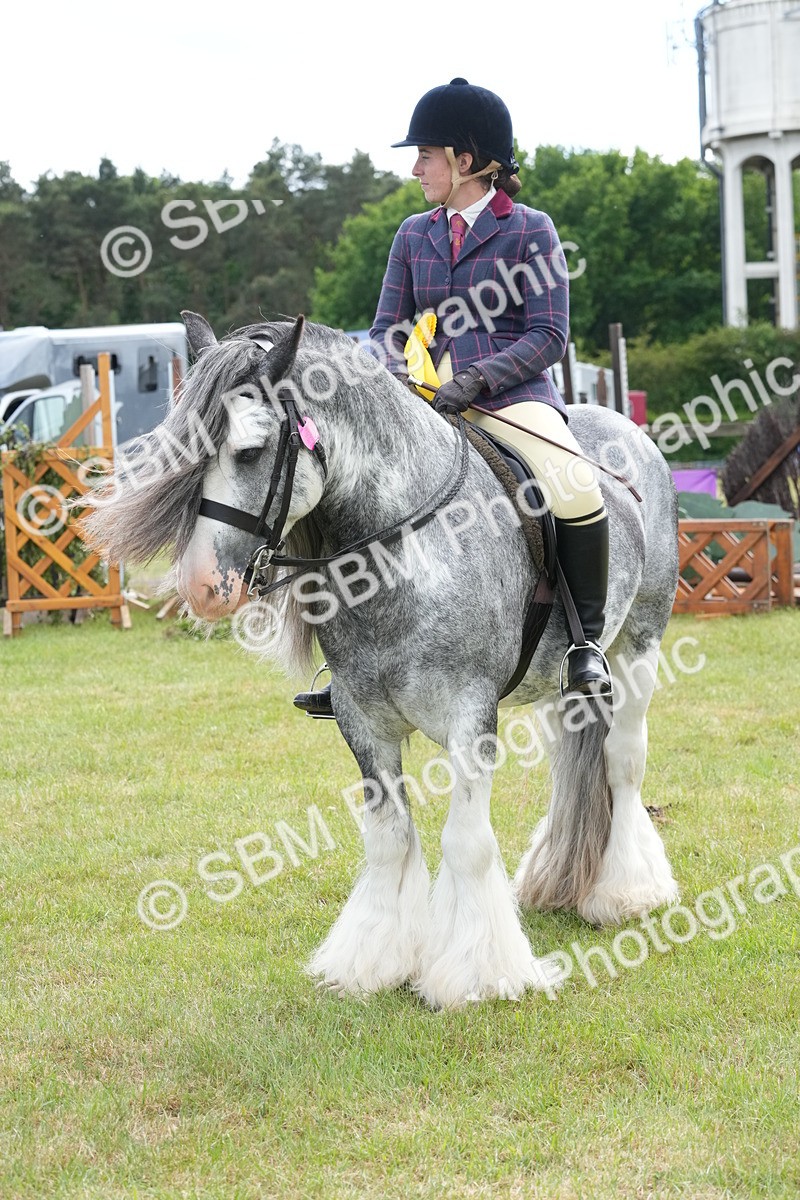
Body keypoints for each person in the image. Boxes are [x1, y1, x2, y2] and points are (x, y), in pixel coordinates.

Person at [294, 78, 611, 719]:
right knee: (360, 493)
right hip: (423, 399)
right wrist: (389, 380)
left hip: (513, 398)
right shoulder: (413, 235)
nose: (415, 169)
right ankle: (354, 661)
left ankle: (586, 646)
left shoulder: (530, 231)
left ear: (467, 160)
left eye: (426, 155)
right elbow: (385, 329)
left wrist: (478, 379)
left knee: (576, 487)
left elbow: (550, 335)